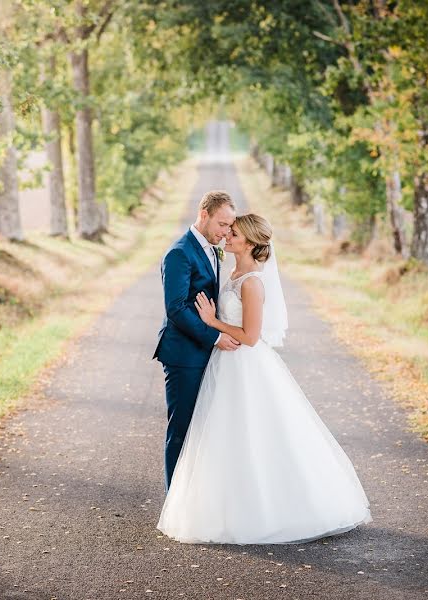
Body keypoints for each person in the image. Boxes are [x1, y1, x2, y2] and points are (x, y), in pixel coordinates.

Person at [157, 213, 372, 544]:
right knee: (222, 437)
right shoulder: (231, 271)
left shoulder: (253, 282)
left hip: (245, 364)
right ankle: (222, 504)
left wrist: (213, 323)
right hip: (224, 364)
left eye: (235, 234)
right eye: (227, 230)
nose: (228, 236)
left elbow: (251, 336)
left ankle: (269, 509)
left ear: (251, 242)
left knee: (256, 436)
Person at [153, 190, 241, 491]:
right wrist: (216, 337)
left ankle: (197, 497)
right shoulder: (179, 253)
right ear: (203, 214)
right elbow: (176, 308)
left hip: (205, 353)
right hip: (184, 355)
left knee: (205, 428)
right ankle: (174, 502)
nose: (226, 232)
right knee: (181, 430)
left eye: (230, 226)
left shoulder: (211, 248)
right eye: (221, 224)